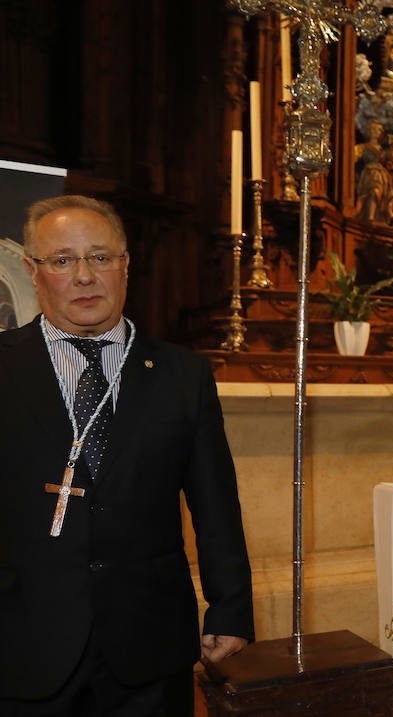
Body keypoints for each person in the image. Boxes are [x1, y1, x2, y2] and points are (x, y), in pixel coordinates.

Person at [0, 195, 254, 716]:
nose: (85, 276)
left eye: (100, 256)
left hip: (150, 644)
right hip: (23, 641)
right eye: (62, 260)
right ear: (32, 270)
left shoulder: (184, 376)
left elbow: (215, 504)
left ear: (125, 265)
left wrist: (230, 608)